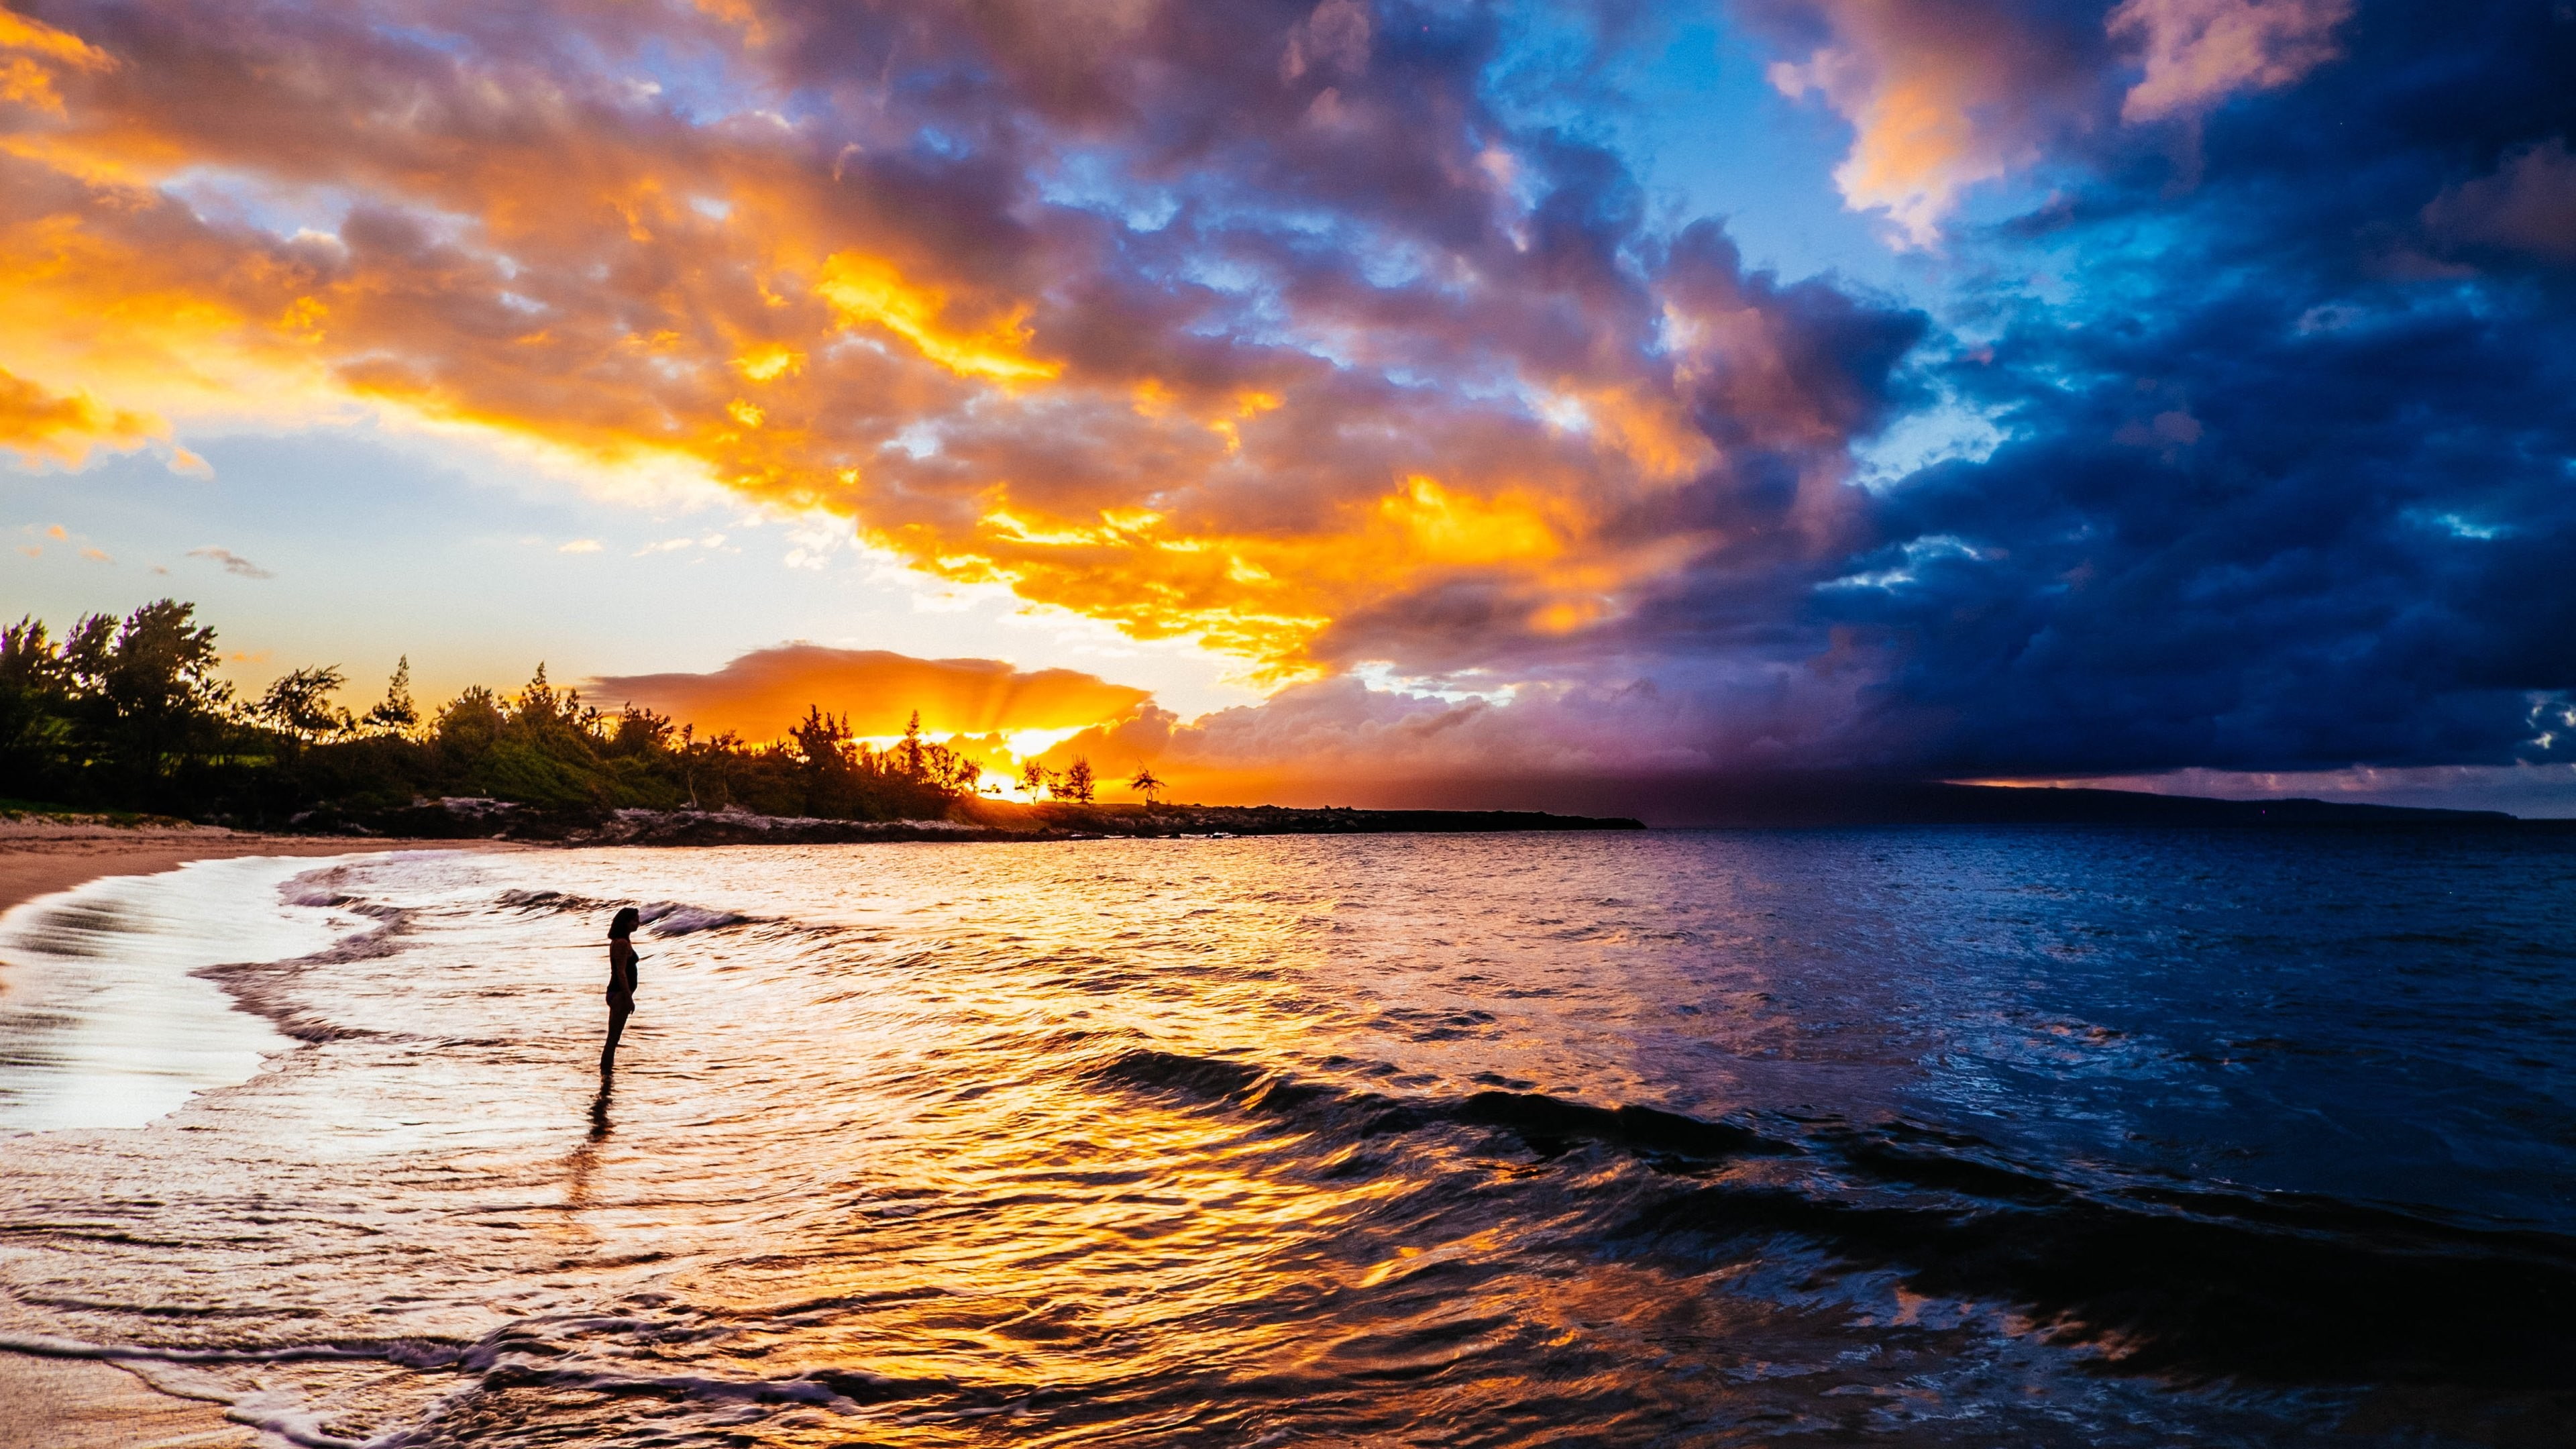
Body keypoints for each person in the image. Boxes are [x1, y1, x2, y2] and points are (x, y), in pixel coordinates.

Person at [601, 907, 641, 1071]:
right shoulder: (621, 943)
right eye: (634, 920)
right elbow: (621, 972)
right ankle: (606, 1073)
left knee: (613, 1039)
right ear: (625, 923)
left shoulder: (623, 941)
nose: (637, 923)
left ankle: (607, 1073)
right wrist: (629, 999)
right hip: (619, 995)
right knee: (613, 1039)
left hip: (619, 994)